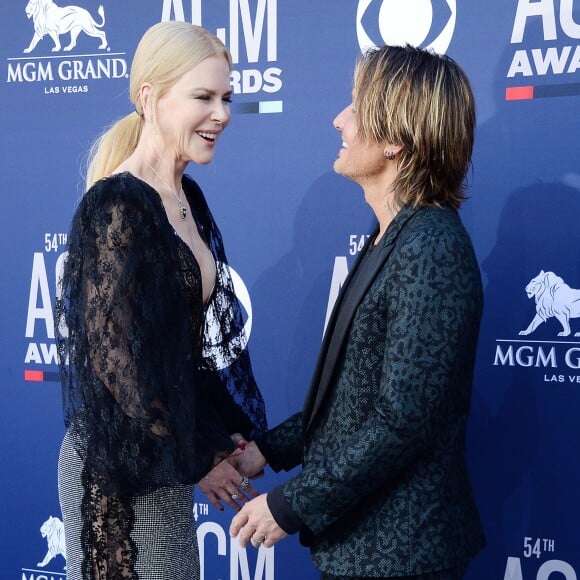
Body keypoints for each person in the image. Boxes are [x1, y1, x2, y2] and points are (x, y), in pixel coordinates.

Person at [230, 45, 486, 579]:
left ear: (395, 138)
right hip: (374, 551)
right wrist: (264, 452)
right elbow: (352, 404)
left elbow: (403, 423)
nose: (339, 120)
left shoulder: (431, 246)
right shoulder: (392, 237)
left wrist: (290, 505)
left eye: (354, 106)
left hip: (405, 557)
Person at [55, 21, 267, 580]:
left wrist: (222, 434)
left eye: (226, 97)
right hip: (116, 469)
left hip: (164, 459)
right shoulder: (117, 206)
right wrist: (200, 457)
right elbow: (117, 363)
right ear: (150, 97)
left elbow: (186, 349)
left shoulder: (188, 197)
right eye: (203, 96)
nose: (221, 113)